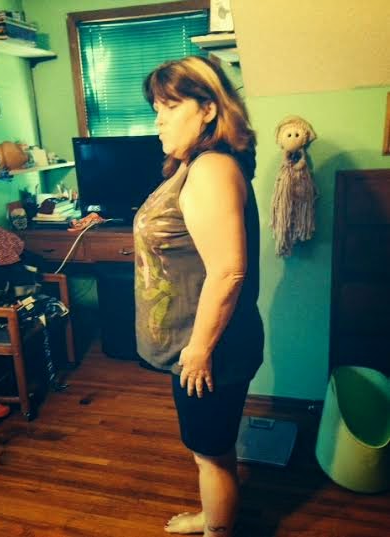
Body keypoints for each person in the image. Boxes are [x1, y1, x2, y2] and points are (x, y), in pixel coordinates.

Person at [133, 56, 264, 537]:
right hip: (199, 346)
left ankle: (217, 531)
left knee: (212, 454)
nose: (158, 120)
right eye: (156, 108)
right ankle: (213, 516)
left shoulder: (211, 168)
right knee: (207, 448)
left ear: (208, 109)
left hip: (209, 349)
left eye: (170, 107)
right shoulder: (195, 165)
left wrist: (199, 349)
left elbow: (228, 272)